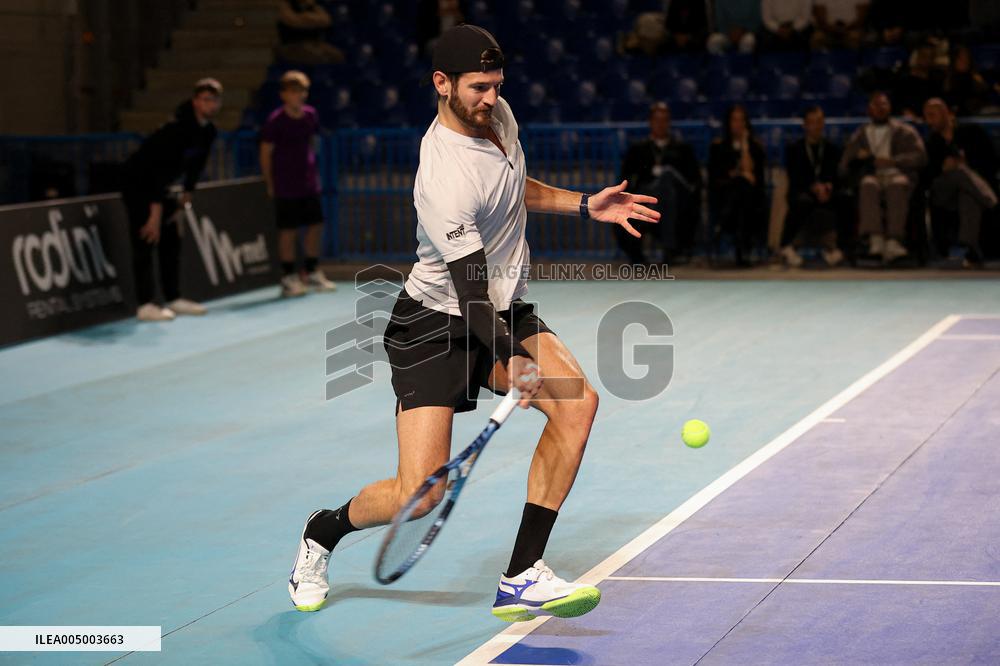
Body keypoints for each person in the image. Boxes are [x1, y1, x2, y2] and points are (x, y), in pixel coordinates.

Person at [287, 24, 660, 620]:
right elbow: (470, 291)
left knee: (577, 403)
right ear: (442, 83)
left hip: (502, 307)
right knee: (421, 493)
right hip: (435, 325)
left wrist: (586, 204)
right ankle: (323, 530)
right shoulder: (441, 175)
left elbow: (511, 190)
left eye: (497, 85)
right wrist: (512, 356)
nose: (491, 98)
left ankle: (522, 575)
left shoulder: (499, 118)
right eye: (479, 87)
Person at [121, 78, 221, 322]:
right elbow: (157, 171)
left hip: (162, 187)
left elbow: (195, 168)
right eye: (205, 99)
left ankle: (173, 298)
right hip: (138, 183)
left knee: (171, 239)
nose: (211, 104)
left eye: (215, 100)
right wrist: (155, 215)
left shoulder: (208, 131)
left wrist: (184, 200)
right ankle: (145, 304)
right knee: (147, 237)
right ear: (196, 101)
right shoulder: (176, 129)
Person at [260, 70, 336, 297]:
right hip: (285, 185)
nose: (299, 96)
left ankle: (311, 271)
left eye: (302, 91)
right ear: (284, 95)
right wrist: (270, 182)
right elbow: (265, 153)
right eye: (294, 92)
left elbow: (310, 145)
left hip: (309, 184)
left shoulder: (311, 115)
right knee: (288, 232)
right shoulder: (275, 122)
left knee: (315, 226)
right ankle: (288, 277)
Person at [839, 92, 926, 263]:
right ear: (869, 108)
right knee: (868, 185)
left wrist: (893, 161)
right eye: (876, 105)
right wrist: (860, 157)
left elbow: (920, 156)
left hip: (898, 174)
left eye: (884, 104)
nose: (880, 108)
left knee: (896, 185)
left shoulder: (905, 131)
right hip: (873, 176)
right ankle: (875, 240)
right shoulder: (861, 134)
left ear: (889, 107)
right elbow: (844, 163)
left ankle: (894, 240)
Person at [616, 102, 702, 265]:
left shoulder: (682, 149)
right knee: (649, 193)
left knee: (668, 177)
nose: (660, 124)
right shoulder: (638, 150)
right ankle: (662, 247)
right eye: (657, 120)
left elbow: (694, 181)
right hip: (646, 196)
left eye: (664, 120)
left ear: (669, 123)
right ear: (650, 122)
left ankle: (669, 244)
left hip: (678, 201)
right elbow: (626, 178)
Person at [922, 98, 998, 267]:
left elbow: (991, 162)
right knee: (959, 173)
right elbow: (925, 176)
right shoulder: (931, 142)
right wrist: (942, 168)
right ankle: (993, 204)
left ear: (948, 114)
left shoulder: (972, 133)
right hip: (943, 192)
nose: (929, 121)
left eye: (933, 115)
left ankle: (970, 248)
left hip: (969, 188)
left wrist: (967, 163)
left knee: (967, 192)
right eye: (927, 116)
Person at [780, 105, 845, 267]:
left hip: (827, 192)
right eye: (812, 122)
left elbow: (836, 176)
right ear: (805, 125)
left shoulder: (832, 149)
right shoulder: (794, 149)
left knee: (845, 199)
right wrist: (813, 187)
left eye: (819, 122)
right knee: (802, 201)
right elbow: (795, 177)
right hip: (803, 191)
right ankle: (786, 245)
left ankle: (840, 248)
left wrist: (828, 187)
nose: (816, 126)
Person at [708, 104, 767, 266]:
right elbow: (715, 178)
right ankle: (742, 249)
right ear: (728, 122)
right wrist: (738, 176)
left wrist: (745, 144)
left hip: (751, 200)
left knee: (744, 190)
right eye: (734, 120)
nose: (738, 124)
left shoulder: (755, 147)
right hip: (724, 196)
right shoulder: (718, 146)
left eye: (742, 120)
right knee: (740, 187)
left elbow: (756, 178)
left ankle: (722, 226)